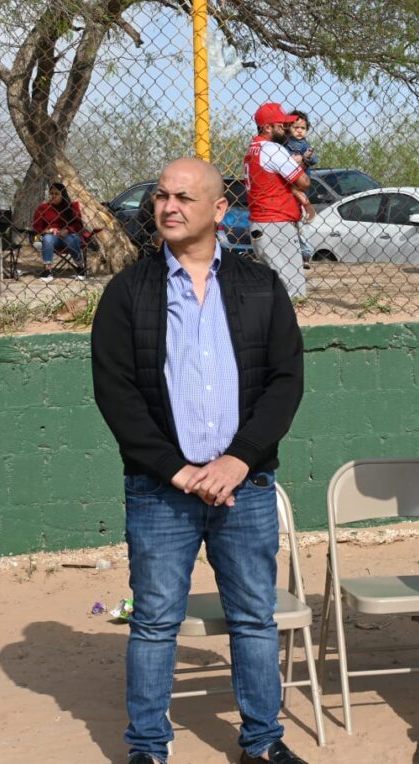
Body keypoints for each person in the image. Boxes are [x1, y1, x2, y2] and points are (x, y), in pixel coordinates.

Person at [91, 158, 307, 764]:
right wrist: (179, 470)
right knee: (156, 621)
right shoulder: (127, 292)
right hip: (162, 490)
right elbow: (117, 396)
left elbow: (286, 382)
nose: (168, 206)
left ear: (219, 210)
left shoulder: (261, 286)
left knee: (254, 620)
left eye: (184, 197)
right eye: (161, 195)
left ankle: (263, 744)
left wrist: (239, 460)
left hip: (246, 486)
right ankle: (148, 748)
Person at [245, 101, 312, 299]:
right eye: (281, 125)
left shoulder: (253, 149)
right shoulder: (272, 149)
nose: (287, 129)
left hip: (263, 223)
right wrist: (300, 163)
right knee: (294, 292)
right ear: (267, 127)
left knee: (274, 288)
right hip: (276, 224)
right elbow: (304, 182)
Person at [31, 181, 87, 281]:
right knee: (47, 238)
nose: (53, 196)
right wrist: (47, 230)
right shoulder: (43, 208)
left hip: (69, 236)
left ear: (63, 195)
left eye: (57, 194)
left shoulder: (72, 207)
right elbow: (36, 227)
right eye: (51, 193)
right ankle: (48, 271)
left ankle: (81, 267)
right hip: (53, 238)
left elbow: (78, 225)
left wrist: (67, 230)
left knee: (71, 239)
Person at [283, 110, 317, 222]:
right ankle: (304, 210)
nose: (299, 131)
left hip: (301, 174)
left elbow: (314, 159)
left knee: (297, 191)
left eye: (303, 128)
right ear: (288, 128)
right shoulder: (286, 142)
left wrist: (306, 157)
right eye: (296, 127)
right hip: (292, 172)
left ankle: (307, 208)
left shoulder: (303, 144)